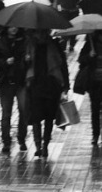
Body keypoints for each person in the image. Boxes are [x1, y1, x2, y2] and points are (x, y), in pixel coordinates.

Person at [24, 28, 69, 158]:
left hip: (51, 84)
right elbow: (23, 66)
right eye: (38, 32)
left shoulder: (54, 45)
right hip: (35, 84)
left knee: (49, 117)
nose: (40, 34)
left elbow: (62, 64)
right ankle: (38, 145)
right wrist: (26, 61)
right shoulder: (29, 46)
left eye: (43, 32)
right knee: (36, 117)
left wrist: (65, 85)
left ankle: (46, 145)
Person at [0, 26, 30, 154]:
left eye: (16, 26)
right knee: (6, 113)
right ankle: (6, 141)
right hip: (5, 82)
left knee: (24, 110)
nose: (14, 29)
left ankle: (22, 138)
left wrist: (27, 60)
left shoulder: (25, 41)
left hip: (21, 81)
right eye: (11, 26)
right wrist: (5, 62)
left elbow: (30, 59)